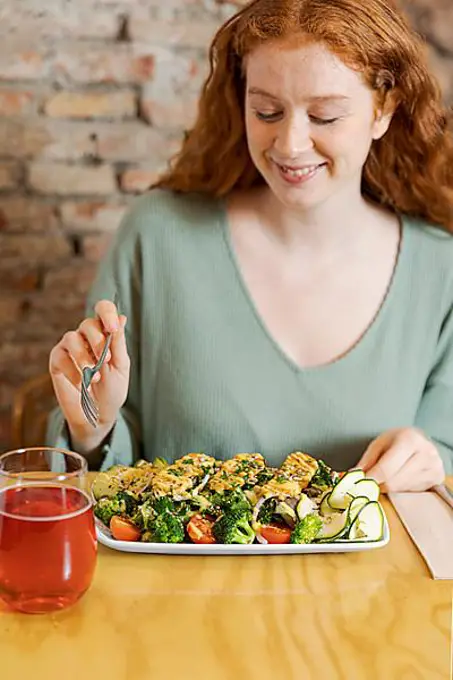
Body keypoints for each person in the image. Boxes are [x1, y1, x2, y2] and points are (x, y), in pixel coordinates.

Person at [47, 0, 453, 492]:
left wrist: (430, 459)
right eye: (267, 111)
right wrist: (94, 429)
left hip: (374, 572)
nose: (289, 144)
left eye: (324, 116)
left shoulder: (440, 269)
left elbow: (443, 451)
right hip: (175, 571)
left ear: (383, 109)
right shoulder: (157, 238)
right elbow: (93, 470)